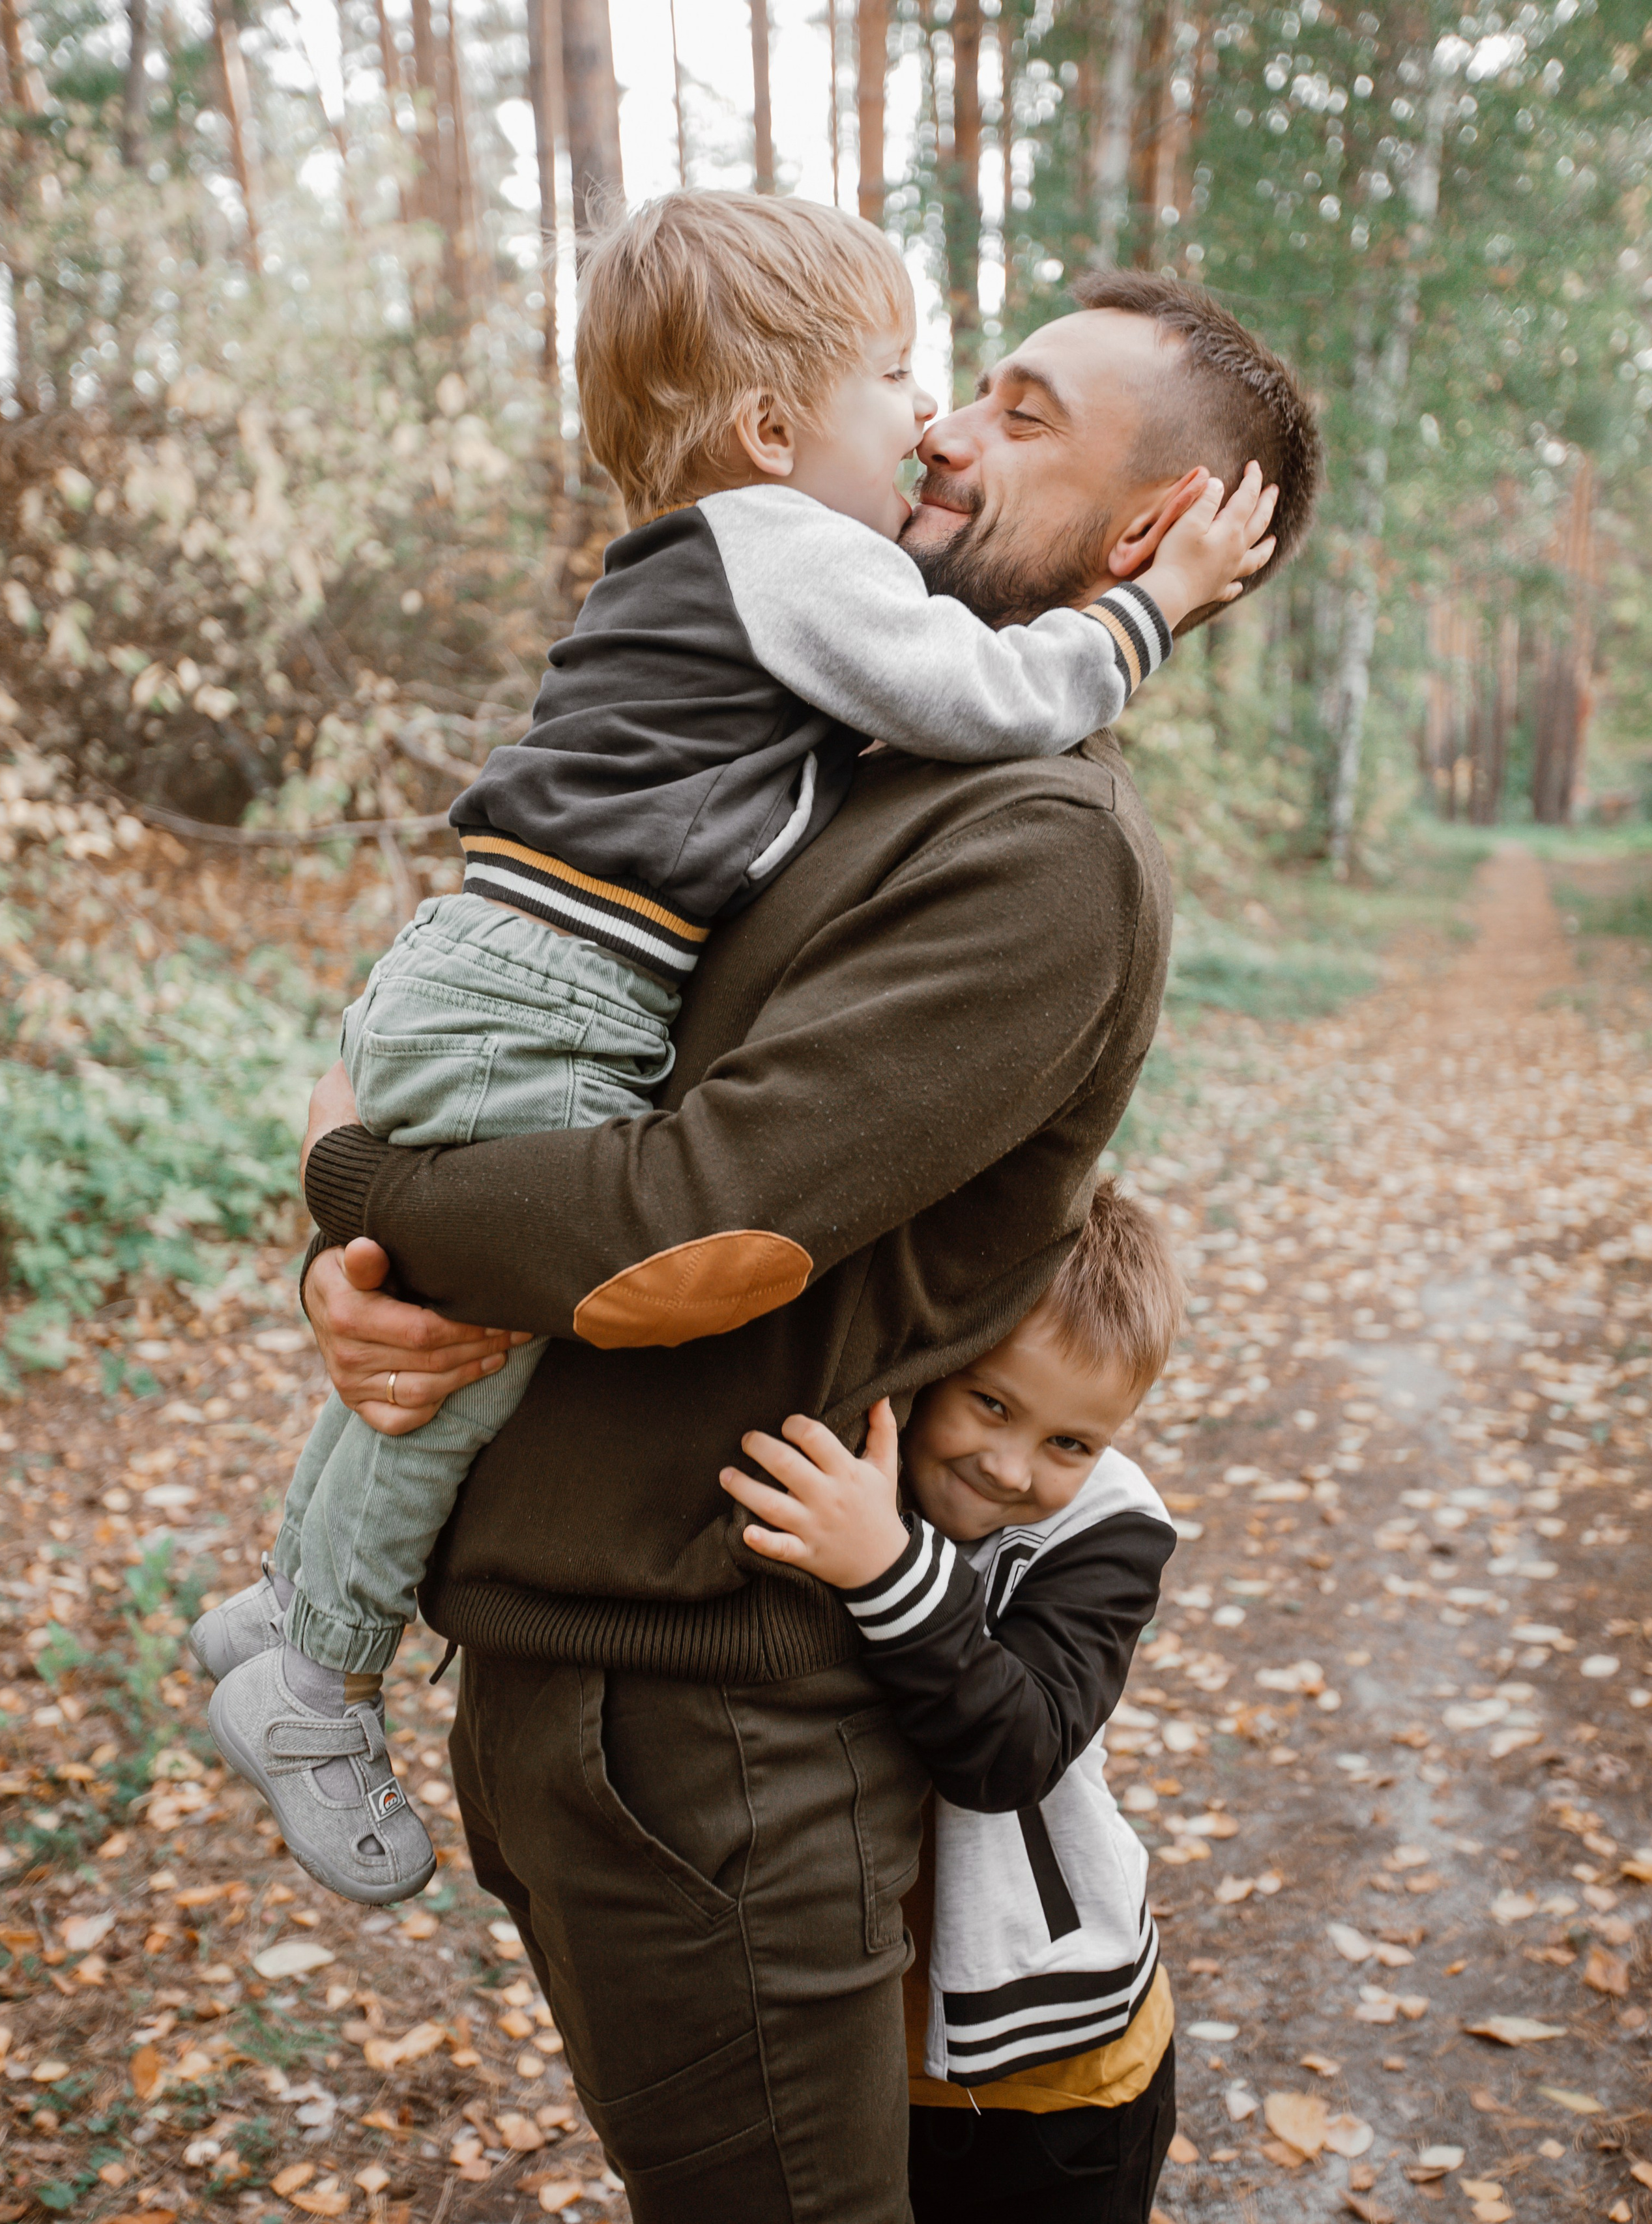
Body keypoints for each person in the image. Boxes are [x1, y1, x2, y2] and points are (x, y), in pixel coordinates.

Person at [293, 267, 1322, 2219]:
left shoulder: (1038, 849)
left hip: (711, 1725)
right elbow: (543, 1094)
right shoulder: (819, 768)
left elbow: (693, 1231)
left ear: (1145, 539)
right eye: (961, 389)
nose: (938, 426)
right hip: (574, 1678)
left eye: (1019, 414)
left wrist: (361, 1187)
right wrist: (371, 1281)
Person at [719, 1181, 1183, 2223]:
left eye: (1072, 1442)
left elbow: (1013, 1746)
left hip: (1059, 2075)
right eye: (991, 1402)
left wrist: (884, 1568)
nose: (1011, 1466)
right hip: (869, 2055)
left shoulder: (1113, 1534)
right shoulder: (862, 1444)